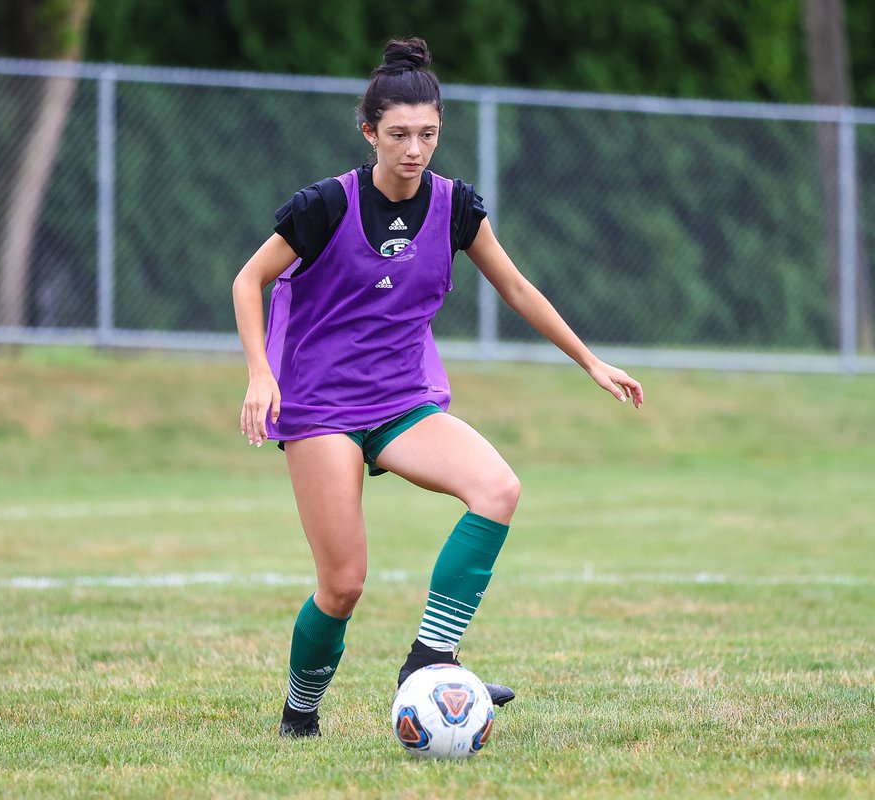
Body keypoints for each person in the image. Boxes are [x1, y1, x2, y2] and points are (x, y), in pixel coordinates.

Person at [232, 37, 644, 739]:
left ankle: (429, 659)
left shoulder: (455, 207)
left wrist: (590, 361)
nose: (414, 149)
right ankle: (300, 714)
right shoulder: (326, 204)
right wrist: (259, 374)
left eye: (427, 134)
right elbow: (249, 279)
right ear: (370, 132)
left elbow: (515, 286)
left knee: (499, 489)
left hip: (400, 400)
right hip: (321, 405)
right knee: (343, 585)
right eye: (398, 135)